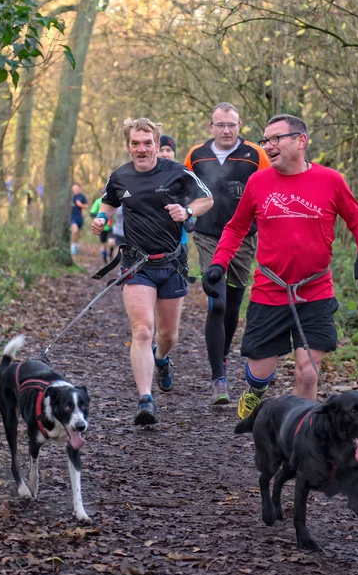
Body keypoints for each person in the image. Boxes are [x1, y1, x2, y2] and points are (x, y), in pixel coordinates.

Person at [202, 114, 358, 417]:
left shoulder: (331, 180)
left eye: (275, 139)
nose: (267, 146)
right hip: (269, 290)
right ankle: (256, 393)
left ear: (300, 141)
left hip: (315, 291)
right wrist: (219, 264)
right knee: (258, 373)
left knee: (307, 372)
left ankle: (301, 436)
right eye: (265, 140)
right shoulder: (258, 182)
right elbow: (235, 228)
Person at [91, 118, 213, 426]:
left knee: (167, 334)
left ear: (157, 146)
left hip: (171, 263)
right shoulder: (119, 177)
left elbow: (206, 199)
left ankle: (162, 359)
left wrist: (187, 211)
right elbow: (108, 204)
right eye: (136, 143)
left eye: (147, 143)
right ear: (128, 146)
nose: (142, 149)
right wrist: (101, 220)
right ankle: (145, 399)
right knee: (142, 330)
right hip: (136, 264)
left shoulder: (177, 173)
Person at [184, 102, 271, 405]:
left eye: (231, 125)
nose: (225, 130)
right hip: (209, 237)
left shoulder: (254, 155)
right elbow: (183, 190)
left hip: (244, 238)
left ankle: (221, 356)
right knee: (217, 304)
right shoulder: (196, 155)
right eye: (220, 125)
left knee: (233, 306)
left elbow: (271, 189)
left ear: (239, 125)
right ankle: (218, 377)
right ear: (211, 127)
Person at [158, 135, 193, 247]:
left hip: (179, 241)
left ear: (174, 154)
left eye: (168, 150)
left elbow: (197, 198)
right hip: (150, 242)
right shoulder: (144, 175)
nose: (164, 154)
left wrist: (189, 215)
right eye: (161, 150)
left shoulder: (183, 175)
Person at [90, 196, 115, 263]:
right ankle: (105, 261)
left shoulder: (117, 199)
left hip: (112, 226)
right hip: (102, 227)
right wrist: (100, 215)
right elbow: (92, 213)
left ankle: (111, 255)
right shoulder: (99, 201)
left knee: (111, 242)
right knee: (104, 245)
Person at [70, 182, 87, 260]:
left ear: (79, 189)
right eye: (74, 189)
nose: (75, 190)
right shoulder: (70, 197)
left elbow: (86, 206)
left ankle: (76, 245)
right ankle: (73, 246)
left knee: (77, 233)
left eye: (76, 189)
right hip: (72, 216)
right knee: (75, 230)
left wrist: (81, 205)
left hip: (79, 217)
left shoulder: (82, 196)